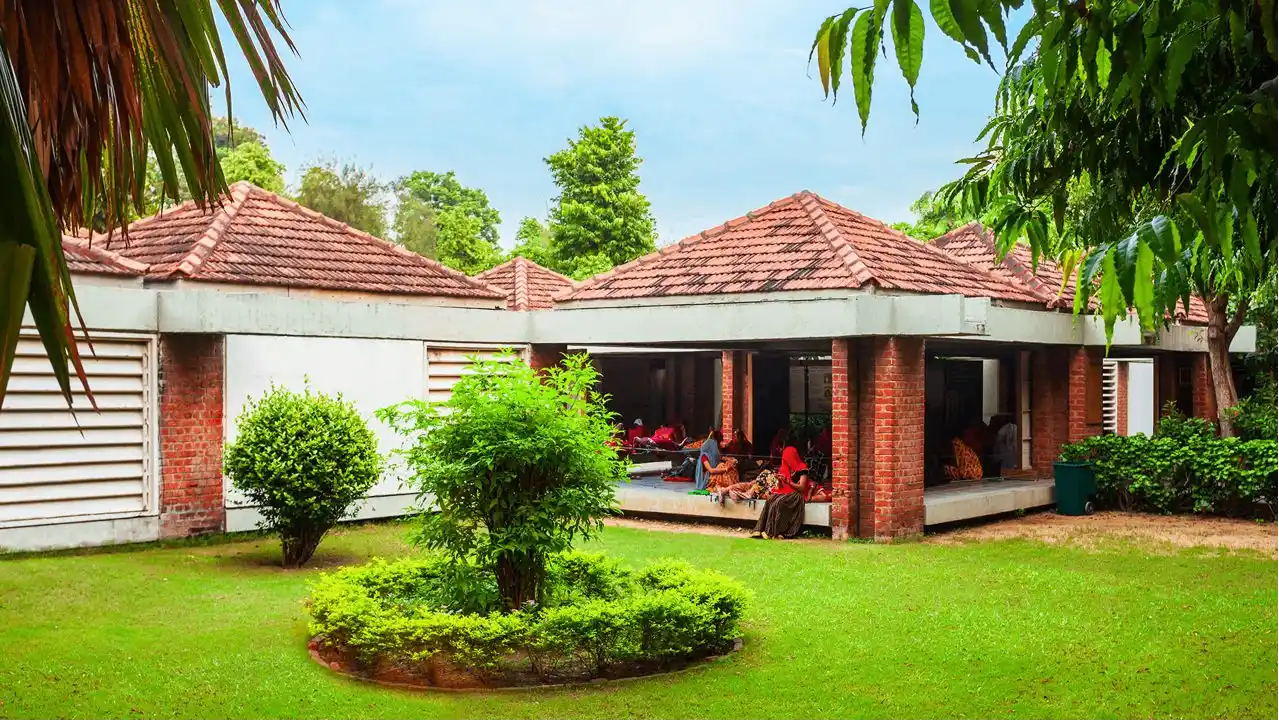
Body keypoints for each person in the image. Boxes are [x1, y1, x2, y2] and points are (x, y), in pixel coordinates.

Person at [751, 468, 810, 539]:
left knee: (779, 502)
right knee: (770, 499)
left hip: (796, 495)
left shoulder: (802, 471)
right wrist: (779, 480)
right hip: (785, 493)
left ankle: (773, 532)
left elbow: (802, 488)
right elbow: (780, 487)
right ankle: (759, 529)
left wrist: (788, 481)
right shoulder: (785, 469)